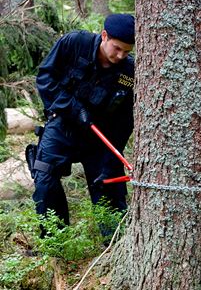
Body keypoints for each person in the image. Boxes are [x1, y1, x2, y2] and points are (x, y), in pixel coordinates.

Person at [30, 13, 135, 238]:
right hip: (63, 124)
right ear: (104, 35)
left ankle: (114, 243)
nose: (120, 55)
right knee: (45, 177)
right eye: (117, 48)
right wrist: (72, 108)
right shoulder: (75, 43)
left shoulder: (129, 71)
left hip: (102, 136)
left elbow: (126, 119)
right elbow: (46, 78)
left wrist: (111, 158)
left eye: (127, 51)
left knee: (107, 184)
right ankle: (55, 241)